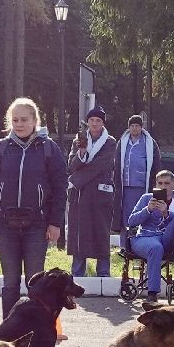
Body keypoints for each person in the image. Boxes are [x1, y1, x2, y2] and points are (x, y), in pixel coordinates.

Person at [0, 97, 67, 316]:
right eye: (15, 120)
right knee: (10, 282)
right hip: (5, 224)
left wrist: (55, 223)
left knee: (35, 283)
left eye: (23, 119)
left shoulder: (49, 149)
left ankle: (34, 330)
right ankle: (8, 332)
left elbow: (60, 188)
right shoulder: (0, 148)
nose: (19, 124)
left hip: (37, 225)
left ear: (34, 121)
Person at [67, 106, 119, 280]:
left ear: (102, 123)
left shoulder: (110, 142)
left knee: (101, 231)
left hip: (100, 194)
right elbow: (72, 165)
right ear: (88, 122)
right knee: (80, 232)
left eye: (98, 121)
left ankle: (103, 272)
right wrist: (81, 153)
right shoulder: (79, 141)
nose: (95, 123)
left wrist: (77, 179)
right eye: (92, 120)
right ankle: (77, 271)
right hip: (81, 196)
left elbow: (102, 165)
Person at [127, 179, 174, 309]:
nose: (163, 186)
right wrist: (148, 209)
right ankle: (152, 294)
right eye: (160, 183)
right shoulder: (146, 198)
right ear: (156, 185)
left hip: (167, 238)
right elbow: (131, 221)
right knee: (156, 247)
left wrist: (166, 213)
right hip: (145, 237)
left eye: (167, 183)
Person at [117, 114, 159, 238]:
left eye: (137, 126)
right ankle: (125, 245)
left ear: (141, 127)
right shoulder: (122, 143)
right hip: (125, 187)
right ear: (129, 127)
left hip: (142, 186)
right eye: (132, 126)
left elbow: (156, 165)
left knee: (141, 214)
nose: (134, 129)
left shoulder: (149, 143)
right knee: (126, 216)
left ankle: (139, 242)